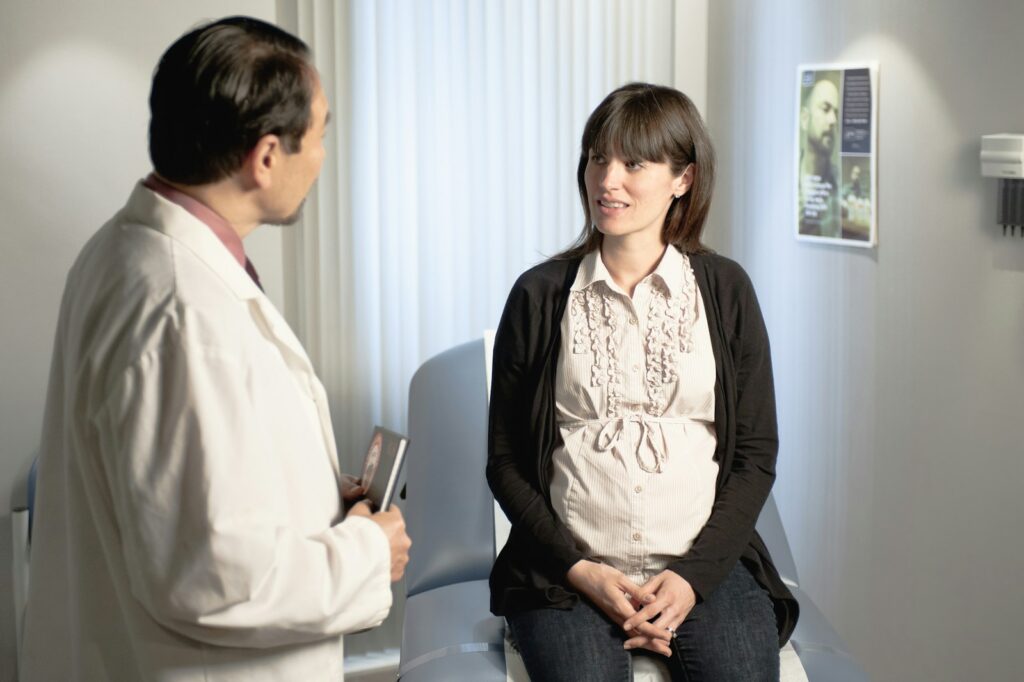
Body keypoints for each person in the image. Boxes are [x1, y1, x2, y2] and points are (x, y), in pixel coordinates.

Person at [20, 16, 411, 682]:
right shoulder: (182, 311)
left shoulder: (123, 250)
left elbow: (186, 483)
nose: (320, 156)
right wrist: (368, 553)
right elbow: (209, 578)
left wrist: (313, 493)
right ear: (264, 157)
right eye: (319, 135)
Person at [486, 83, 798, 681]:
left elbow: (755, 456)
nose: (608, 180)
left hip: (702, 564)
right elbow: (504, 462)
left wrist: (691, 578)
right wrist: (580, 570)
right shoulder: (539, 294)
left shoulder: (726, 290)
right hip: (567, 570)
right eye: (598, 158)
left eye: (634, 163)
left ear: (683, 177)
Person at [798, 72, 841, 238]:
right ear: (804, 118)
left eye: (836, 112)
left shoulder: (839, 188)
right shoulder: (787, 187)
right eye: (825, 109)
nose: (833, 120)